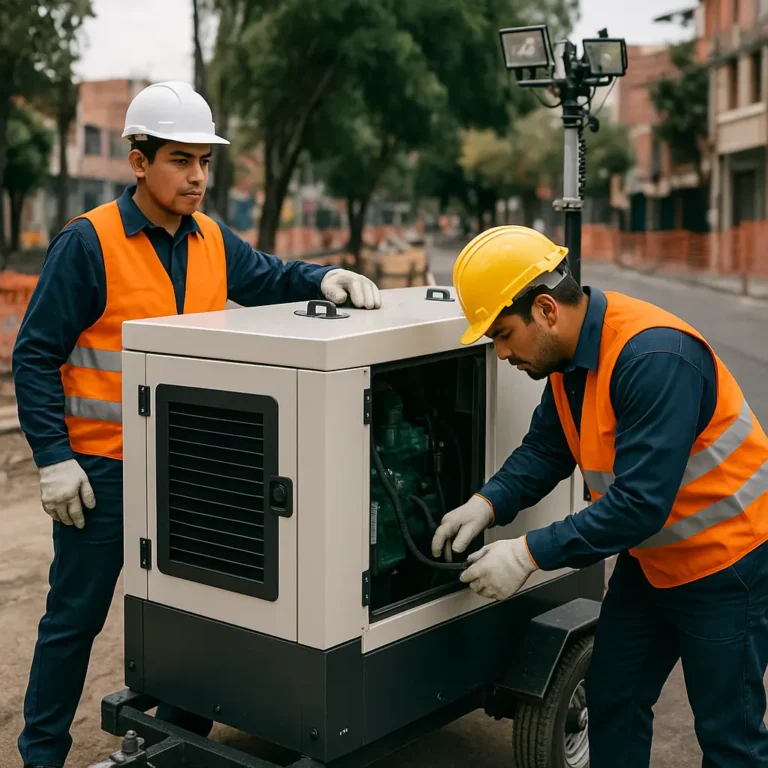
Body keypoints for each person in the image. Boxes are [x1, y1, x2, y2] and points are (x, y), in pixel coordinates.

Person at [13, 80, 381, 768]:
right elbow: (33, 355)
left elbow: (268, 276)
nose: (197, 177)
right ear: (139, 161)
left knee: (207, 612)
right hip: (104, 473)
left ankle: (176, 735)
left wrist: (325, 276)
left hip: (187, 469)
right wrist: (53, 458)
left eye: (205, 163)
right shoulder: (87, 244)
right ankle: (40, 756)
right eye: (181, 160)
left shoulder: (211, 239)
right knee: (73, 622)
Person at [431, 225, 768, 767]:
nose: (500, 353)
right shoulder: (567, 363)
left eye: (502, 333)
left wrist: (527, 553)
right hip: (654, 560)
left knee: (730, 737)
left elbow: (639, 503)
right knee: (614, 696)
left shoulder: (654, 357)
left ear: (545, 310)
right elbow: (546, 448)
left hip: (726, 567)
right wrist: (487, 502)